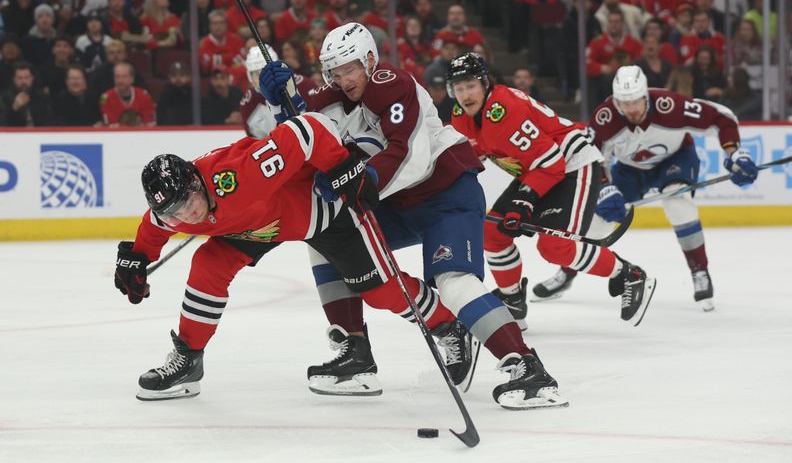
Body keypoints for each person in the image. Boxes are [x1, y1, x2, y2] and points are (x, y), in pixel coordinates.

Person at [256, 23, 568, 410]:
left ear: (370, 60)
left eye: (349, 68)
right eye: (334, 72)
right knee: (325, 239)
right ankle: (355, 353)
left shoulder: (395, 85)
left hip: (446, 194)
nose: (342, 79)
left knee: (453, 282)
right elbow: (300, 143)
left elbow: (410, 155)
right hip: (394, 203)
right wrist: (278, 104)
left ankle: (526, 367)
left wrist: (362, 178)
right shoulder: (328, 99)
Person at [114, 113, 462, 400]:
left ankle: (449, 326)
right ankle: (189, 360)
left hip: (325, 212)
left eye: (187, 204)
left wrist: (342, 166)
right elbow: (154, 226)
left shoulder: (238, 174)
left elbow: (306, 129)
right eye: (175, 213)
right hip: (263, 225)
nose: (187, 217)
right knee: (208, 264)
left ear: (197, 183)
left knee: (380, 291)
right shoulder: (172, 210)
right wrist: (138, 258)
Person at [445, 53, 656, 328]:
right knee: (491, 233)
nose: (465, 94)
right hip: (538, 169)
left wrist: (524, 201)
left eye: (470, 85)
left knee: (554, 246)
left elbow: (552, 162)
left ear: (485, 84)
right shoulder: (461, 115)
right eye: (458, 88)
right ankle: (513, 300)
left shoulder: (504, 109)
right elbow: (469, 157)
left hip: (571, 164)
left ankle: (630, 274)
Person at [532, 66, 757, 311]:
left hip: (676, 160)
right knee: (598, 222)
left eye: (636, 102)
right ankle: (568, 271)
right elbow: (591, 156)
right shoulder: (606, 117)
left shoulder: (671, 106)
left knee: (679, 204)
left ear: (646, 96)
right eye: (624, 103)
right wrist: (604, 188)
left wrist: (734, 153)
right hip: (629, 170)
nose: (631, 110)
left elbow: (720, 116)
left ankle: (699, 271)